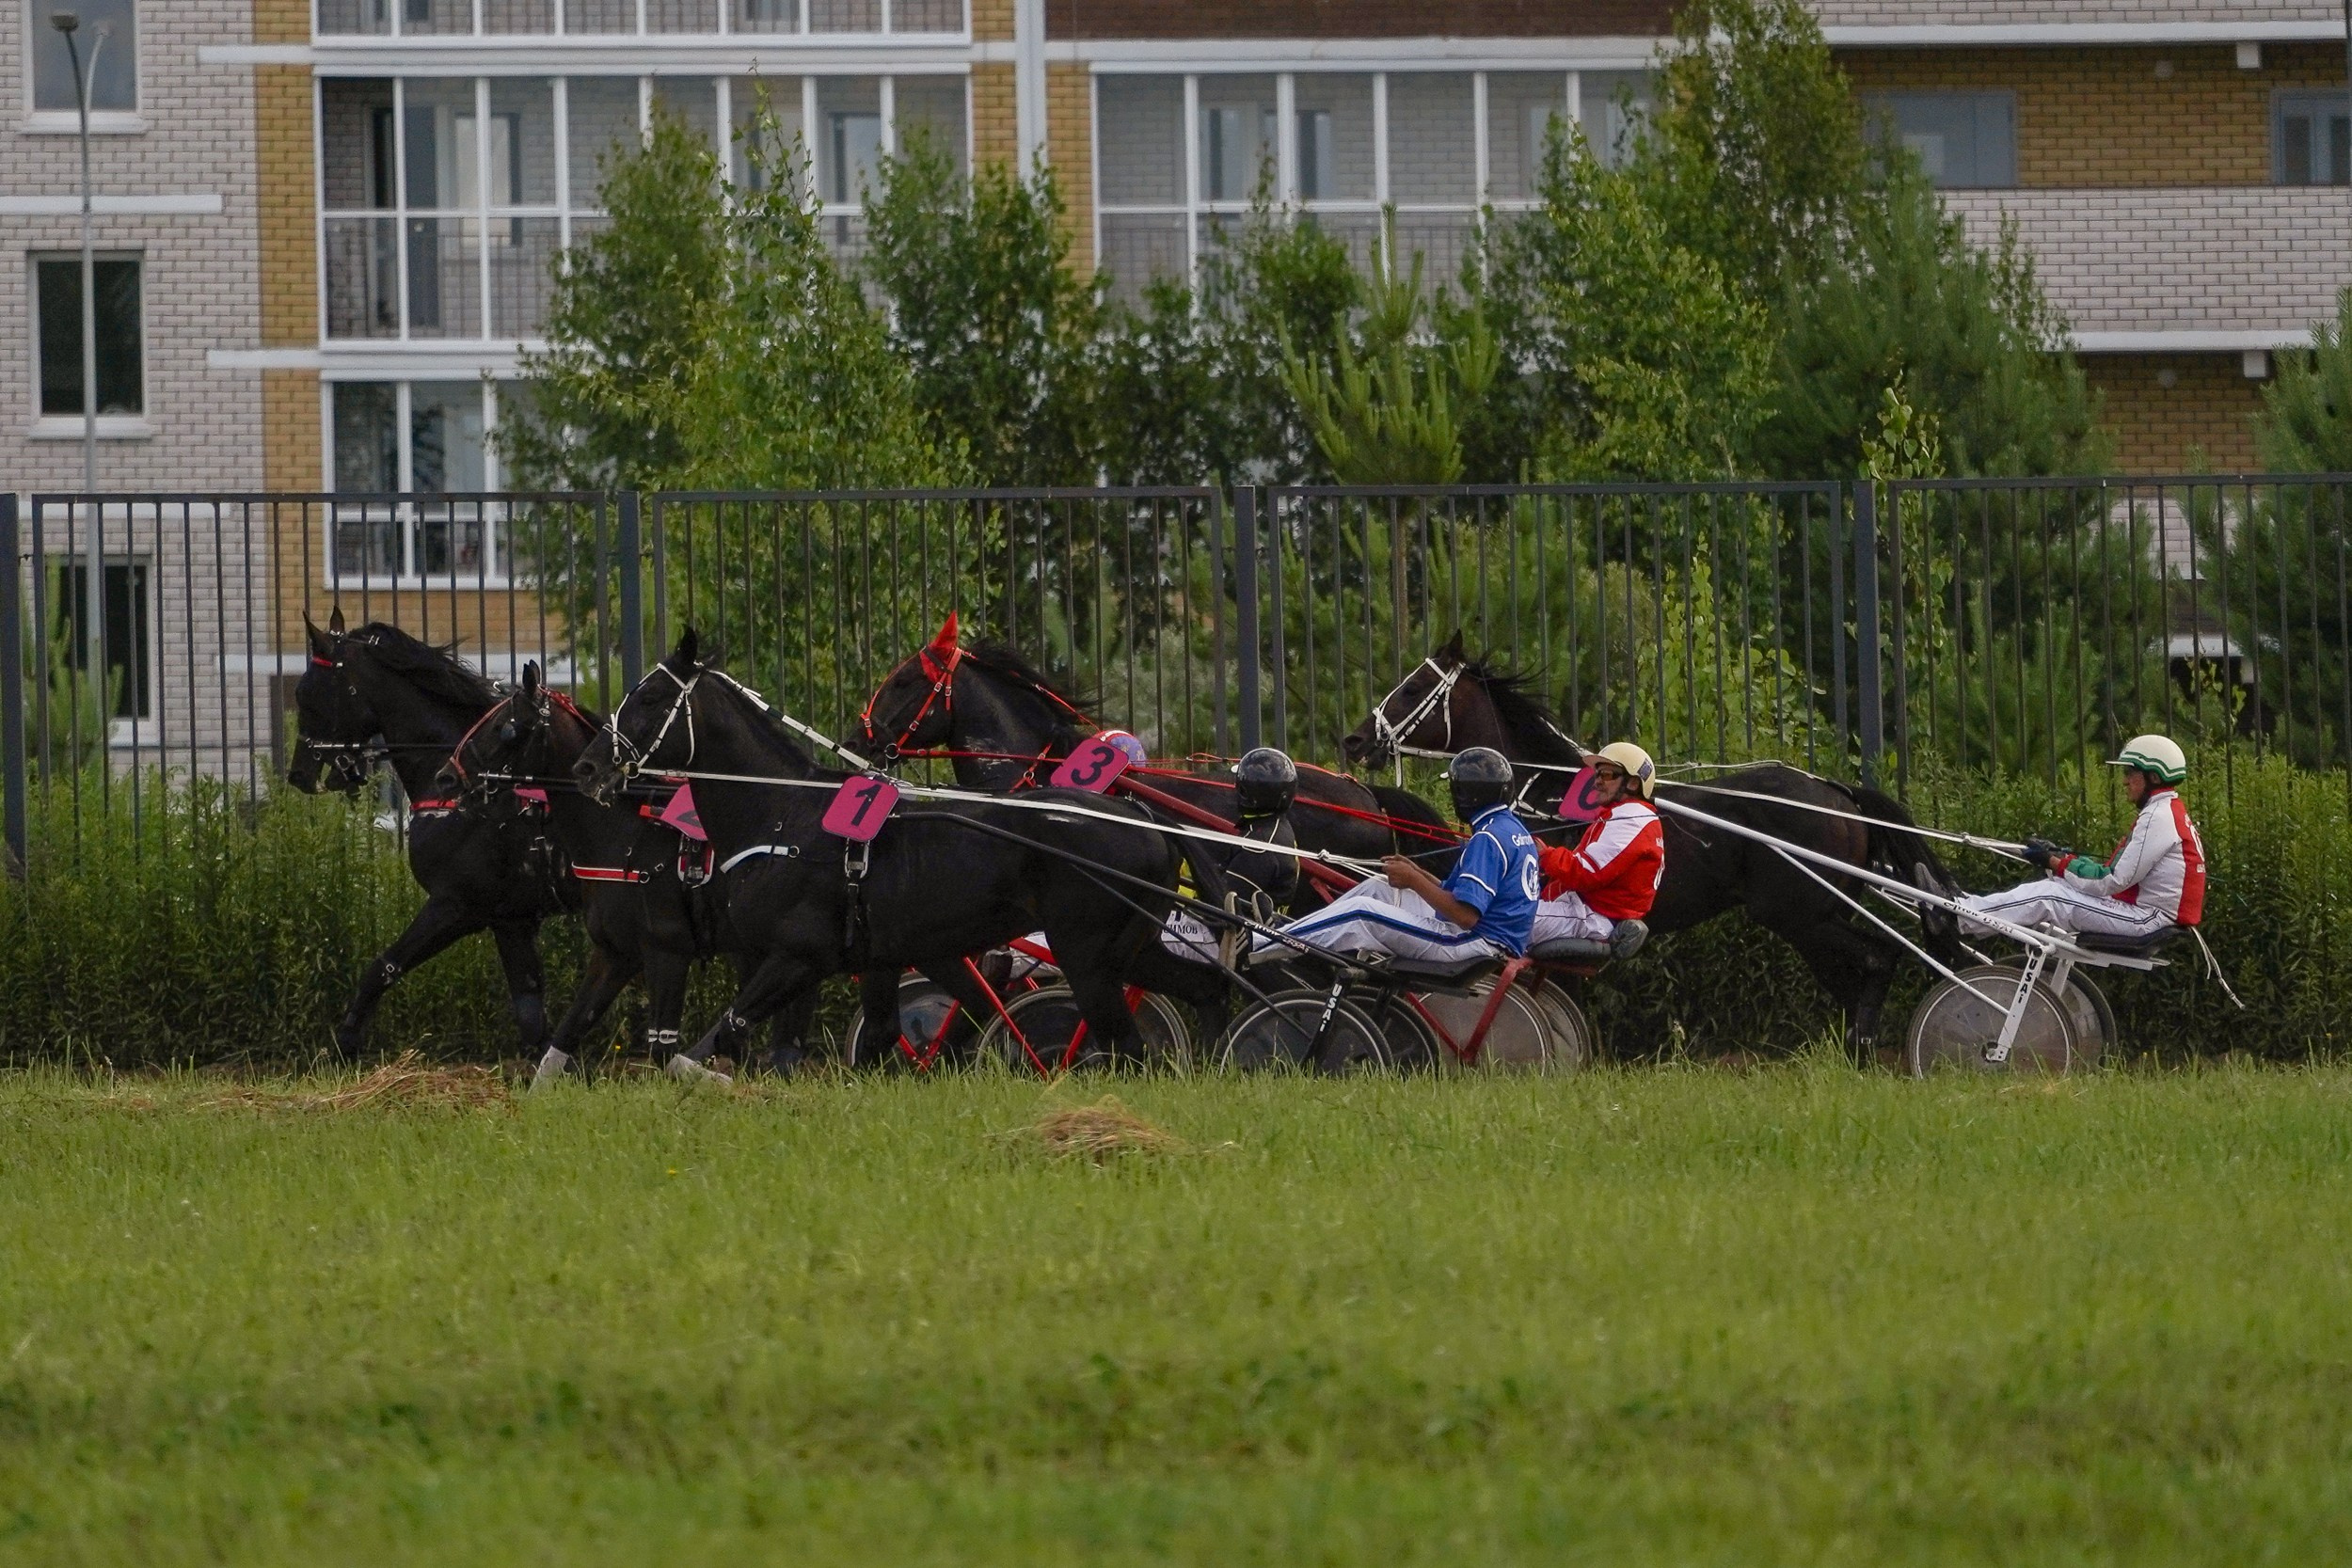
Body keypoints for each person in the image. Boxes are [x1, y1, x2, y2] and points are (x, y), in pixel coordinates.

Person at [1255, 746, 1538, 967]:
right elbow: (1470, 897)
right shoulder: (1510, 828)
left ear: (1466, 795)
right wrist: (1420, 874)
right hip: (1492, 936)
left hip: (1473, 941)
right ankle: (1296, 931)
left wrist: (1414, 880)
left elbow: (1466, 916)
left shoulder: (1487, 838)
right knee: (1379, 887)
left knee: (1362, 911)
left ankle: (1263, 945)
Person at [1957, 733, 2205, 941]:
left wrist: (2054, 862)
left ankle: (1960, 917)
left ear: (2153, 776)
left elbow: (2111, 880)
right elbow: (2114, 873)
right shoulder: (2166, 812)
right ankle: (1967, 906)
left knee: (2050, 896)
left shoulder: (2158, 817)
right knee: (2057, 888)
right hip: (2148, 913)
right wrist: (2064, 859)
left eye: (2131, 773)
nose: (2124, 782)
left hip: (2149, 918)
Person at [1163, 748, 1302, 965]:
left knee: (1144, 926)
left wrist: (1178, 885)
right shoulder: (1276, 827)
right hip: (1251, 931)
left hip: (1229, 939)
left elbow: (1220, 903)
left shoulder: (1259, 848)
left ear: (1246, 794)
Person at [1531, 741, 1664, 947]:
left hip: (1592, 917)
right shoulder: (1625, 816)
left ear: (1633, 784)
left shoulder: (1632, 818)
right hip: (1585, 912)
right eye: (1597, 775)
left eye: (1607, 775)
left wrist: (1545, 855)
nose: (1597, 783)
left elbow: (1586, 872)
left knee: (1491, 918)